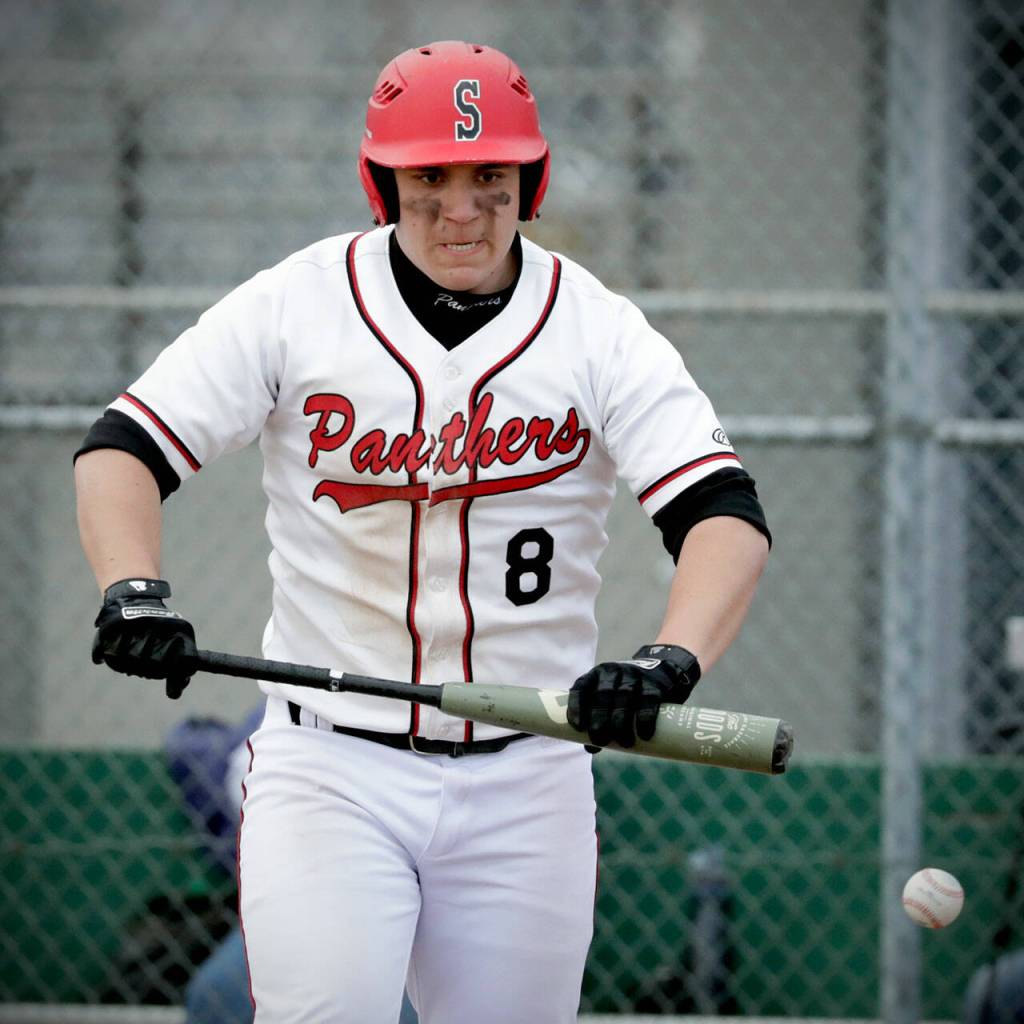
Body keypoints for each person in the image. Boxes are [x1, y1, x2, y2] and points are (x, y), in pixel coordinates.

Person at [74, 39, 771, 1024]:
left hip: (527, 770)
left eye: (489, 176)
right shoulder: (296, 304)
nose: (459, 208)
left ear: (528, 180)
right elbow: (123, 446)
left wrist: (669, 660)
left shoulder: (596, 329)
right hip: (330, 762)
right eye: (428, 177)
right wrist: (132, 585)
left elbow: (722, 515)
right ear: (381, 180)